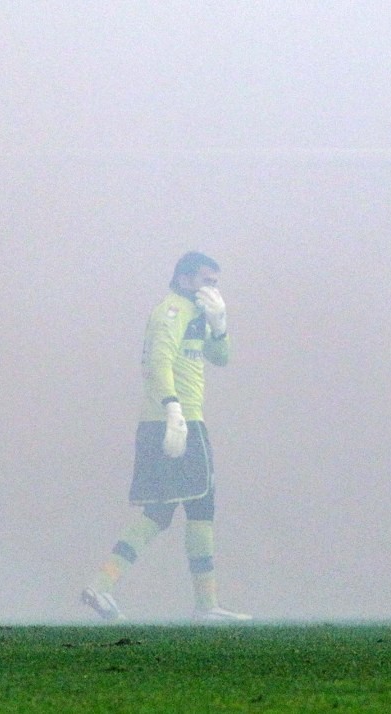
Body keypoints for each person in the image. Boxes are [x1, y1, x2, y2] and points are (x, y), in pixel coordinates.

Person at [81, 251, 251, 622]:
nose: (213, 290)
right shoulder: (170, 312)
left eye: (216, 284)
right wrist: (173, 409)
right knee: (200, 506)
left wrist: (220, 326)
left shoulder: (197, 315)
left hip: (179, 419)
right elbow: (157, 363)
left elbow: (220, 358)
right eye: (208, 282)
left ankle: (102, 586)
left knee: (161, 512)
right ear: (186, 278)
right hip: (176, 421)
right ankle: (205, 606)